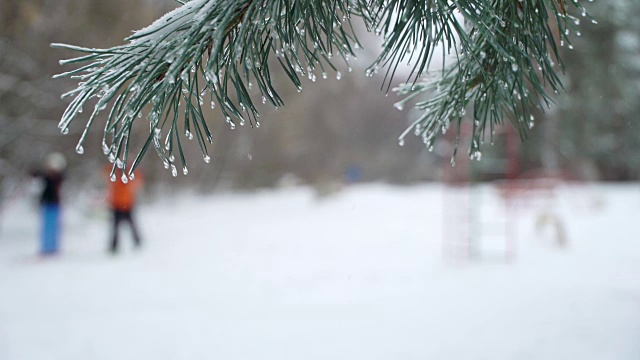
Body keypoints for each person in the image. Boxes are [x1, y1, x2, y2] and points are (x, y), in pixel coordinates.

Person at [31, 152, 66, 255]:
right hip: (47, 204)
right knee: (46, 227)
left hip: (54, 204)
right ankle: (46, 247)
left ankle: (53, 247)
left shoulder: (58, 178)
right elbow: (36, 175)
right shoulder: (46, 177)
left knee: (54, 227)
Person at [106, 167, 144, 254]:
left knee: (132, 226)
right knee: (115, 228)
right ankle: (114, 245)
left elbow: (139, 180)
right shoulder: (114, 176)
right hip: (116, 206)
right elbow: (105, 173)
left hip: (127, 206)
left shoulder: (129, 177)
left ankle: (137, 241)